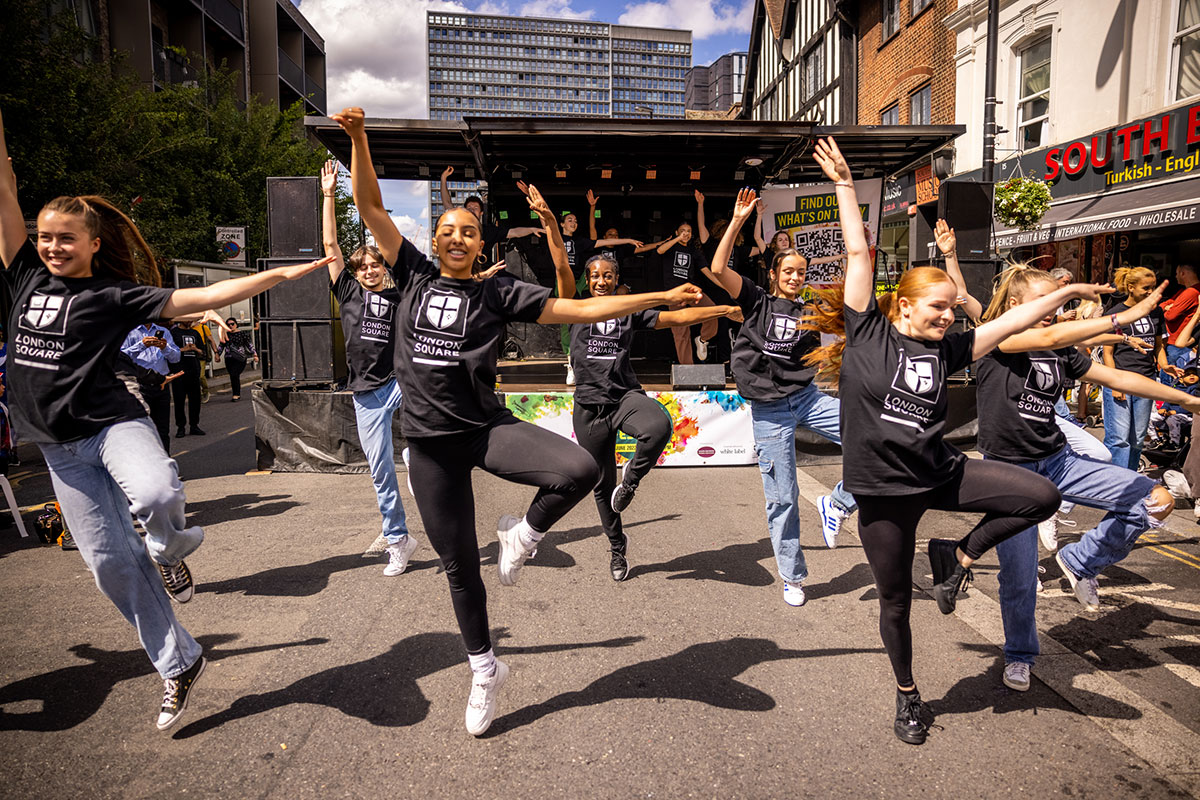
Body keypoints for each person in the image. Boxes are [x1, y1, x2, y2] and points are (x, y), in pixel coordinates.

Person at [333, 105, 704, 736]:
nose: (457, 237)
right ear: (435, 241)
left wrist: (659, 296)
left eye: (468, 232)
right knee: (459, 568)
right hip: (429, 448)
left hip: (484, 429)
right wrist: (360, 140)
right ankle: (484, 669)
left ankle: (523, 535)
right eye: (447, 229)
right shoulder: (413, 275)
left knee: (581, 469)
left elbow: (579, 310)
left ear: (482, 245)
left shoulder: (498, 292)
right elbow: (370, 207)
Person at [0, 105, 335, 729]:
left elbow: (202, 297)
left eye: (66, 238)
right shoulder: (23, 276)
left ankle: (168, 548)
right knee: (108, 566)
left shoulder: (112, 294)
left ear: (93, 244)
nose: (52, 247)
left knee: (156, 492)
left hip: (111, 426)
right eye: (45, 237)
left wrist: (276, 276)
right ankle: (179, 661)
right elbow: (3, 187)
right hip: (58, 449)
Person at [806, 137, 1103, 745]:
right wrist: (843, 185)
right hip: (882, 494)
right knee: (895, 602)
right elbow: (858, 250)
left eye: (951, 309)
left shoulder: (951, 349)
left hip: (940, 473)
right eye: (937, 308)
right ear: (903, 307)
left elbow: (1010, 320)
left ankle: (956, 555)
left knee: (1040, 497)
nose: (947, 316)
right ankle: (908, 696)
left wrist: (1067, 294)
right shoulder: (867, 332)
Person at [970, 263, 1197, 693]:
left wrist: (1188, 400)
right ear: (1016, 304)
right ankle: (1020, 654)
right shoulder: (998, 336)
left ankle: (1080, 562)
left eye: (1058, 303)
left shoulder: (1058, 350)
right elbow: (1049, 337)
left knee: (1155, 499)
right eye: (1046, 301)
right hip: (1008, 474)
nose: (1054, 310)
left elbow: (1116, 376)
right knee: (1019, 576)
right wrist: (1122, 317)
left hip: (1057, 461)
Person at [707, 187, 859, 607]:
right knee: (783, 498)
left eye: (801, 272)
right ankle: (793, 577)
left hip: (807, 398)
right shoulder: (757, 300)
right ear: (774, 274)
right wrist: (737, 221)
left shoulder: (811, 311)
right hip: (770, 411)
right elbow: (718, 268)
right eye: (788, 270)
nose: (795, 277)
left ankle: (838, 503)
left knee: (877, 437)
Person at [568, 251, 741, 581]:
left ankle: (631, 480)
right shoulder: (573, 308)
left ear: (616, 280)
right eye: (595, 276)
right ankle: (617, 546)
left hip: (623, 396)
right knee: (601, 487)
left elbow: (677, 318)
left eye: (608, 275)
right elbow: (562, 265)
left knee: (659, 425)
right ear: (587, 281)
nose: (602, 281)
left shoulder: (628, 311)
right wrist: (551, 228)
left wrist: (724, 310)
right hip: (589, 408)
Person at [321, 158, 418, 578]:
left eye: (375, 264)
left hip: (398, 381)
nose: (369, 270)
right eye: (363, 266)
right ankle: (398, 540)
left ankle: (419, 457)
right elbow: (331, 246)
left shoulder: (398, 295)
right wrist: (329, 195)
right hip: (365, 394)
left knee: (423, 418)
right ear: (356, 273)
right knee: (381, 474)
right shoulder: (347, 291)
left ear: (383, 267)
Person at [1102, 266, 1181, 469]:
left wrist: (1165, 365)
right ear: (1130, 287)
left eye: (1153, 287)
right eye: (1146, 288)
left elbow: (1159, 346)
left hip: (1145, 381)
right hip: (1120, 380)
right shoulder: (1115, 314)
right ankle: (1115, 481)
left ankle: (1130, 478)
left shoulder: (1156, 312)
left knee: (1137, 438)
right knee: (1119, 439)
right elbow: (1107, 353)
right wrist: (1114, 385)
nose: (1150, 292)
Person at [657, 221, 718, 364]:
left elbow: (706, 270)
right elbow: (660, 250)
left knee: (712, 310)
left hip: (690, 289)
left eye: (689, 231)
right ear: (676, 233)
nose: (686, 233)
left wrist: (724, 285)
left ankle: (703, 339)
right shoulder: (671, 246)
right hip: (674, 293)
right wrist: (678, 239)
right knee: (681, 331)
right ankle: (687, 367)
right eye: (682, 231)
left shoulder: (693, 250)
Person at [121, 320, 182, 450]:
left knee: (163, 429)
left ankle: (165, 458)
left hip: (162, 385)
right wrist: (141, 345)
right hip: (139, 385)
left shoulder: (163, 331)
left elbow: (176, 357)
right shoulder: (129, 331)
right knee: (142, 429)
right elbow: (120, 358)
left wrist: (165, 348)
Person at [1160, 263, 1200, 370]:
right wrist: (1167, 307)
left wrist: (1168, 309)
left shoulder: (1191, 292)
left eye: (1177, 273)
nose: (1176, 276)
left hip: (1177, 343)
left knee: (1174, 374)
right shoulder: (1184, 291)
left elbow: (1170, 316)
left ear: (1183, 273)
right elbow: (1163, 304)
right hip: (1176, 342)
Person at [169, 318, 205, 436]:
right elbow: (168, 351)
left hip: (193, 370)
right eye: (188, 319)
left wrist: (195, 349)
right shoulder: (173, 333)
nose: (190, 322)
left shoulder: (195, 333)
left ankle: (194, 425)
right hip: (179, 371)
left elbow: (203, 352)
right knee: (179, 400)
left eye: (191, 320)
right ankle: (181, 427)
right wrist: (183, 349)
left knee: (195, 400)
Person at [216, 317, 256, 401]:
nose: (230, 326)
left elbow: (249, 344)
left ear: (236, 324)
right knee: (233, 376)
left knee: (235, 374)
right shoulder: (226, 335)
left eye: (232, 324)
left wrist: (254, 354)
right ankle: (236, 393)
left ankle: (236, 394)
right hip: (229, 358)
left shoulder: (243, 334)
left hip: (240, 358)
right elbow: (221, 345)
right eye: (228, 325)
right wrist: (217, 354)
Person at [192, 317, 217, 402]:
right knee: (193, 376)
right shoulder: (188, 329)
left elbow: (211, 340)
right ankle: (197, 393)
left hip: (201, 354)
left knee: (200, 375)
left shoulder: (203, 327)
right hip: (190, 355)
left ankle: (205, 391)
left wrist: (216, 353)